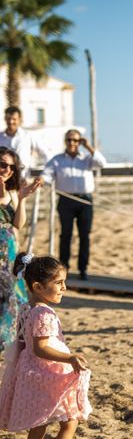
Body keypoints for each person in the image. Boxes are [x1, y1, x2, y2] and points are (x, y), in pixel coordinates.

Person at [0, 252, 92, 439]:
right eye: (59, 283)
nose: (64, 288)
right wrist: (69, 358)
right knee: (70, 421)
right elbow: (40, 348)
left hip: (30, 370)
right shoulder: (44, 313)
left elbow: (22, 343)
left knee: (39, 424)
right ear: (38, 287)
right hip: (47, 373)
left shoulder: (27, 308)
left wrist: (20, 370)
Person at [40, 130, 107, 280]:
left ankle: (83, 269)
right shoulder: (57, 160)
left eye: (76, 140)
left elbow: (102, 163)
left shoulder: (87, 158)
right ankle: (64, 269)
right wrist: (41, 180)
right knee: (66, 235)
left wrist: (88, 146)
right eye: (69, 140)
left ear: (80, 142)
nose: (72, 143)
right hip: (66, 200)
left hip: (85, 201)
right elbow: (47, 174)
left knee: (85, 236)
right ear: (65, 141)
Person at [0, 147, 40, 350]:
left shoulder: (13, 192)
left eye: (11, 167)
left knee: (12, 293)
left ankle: (6, 340)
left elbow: (18, 224)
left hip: (9, 248)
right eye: (3, 164)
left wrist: (22, 199)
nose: (7, 170)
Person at [0, 106, 46, 177]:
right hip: (3, 179)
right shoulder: (0, 137)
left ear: (19, 120)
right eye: (8, 119)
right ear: (5, 119)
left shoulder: (28, 136)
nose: (11, 122)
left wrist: (46, 174)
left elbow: (45, 153)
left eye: (14, 119)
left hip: (22, 179)